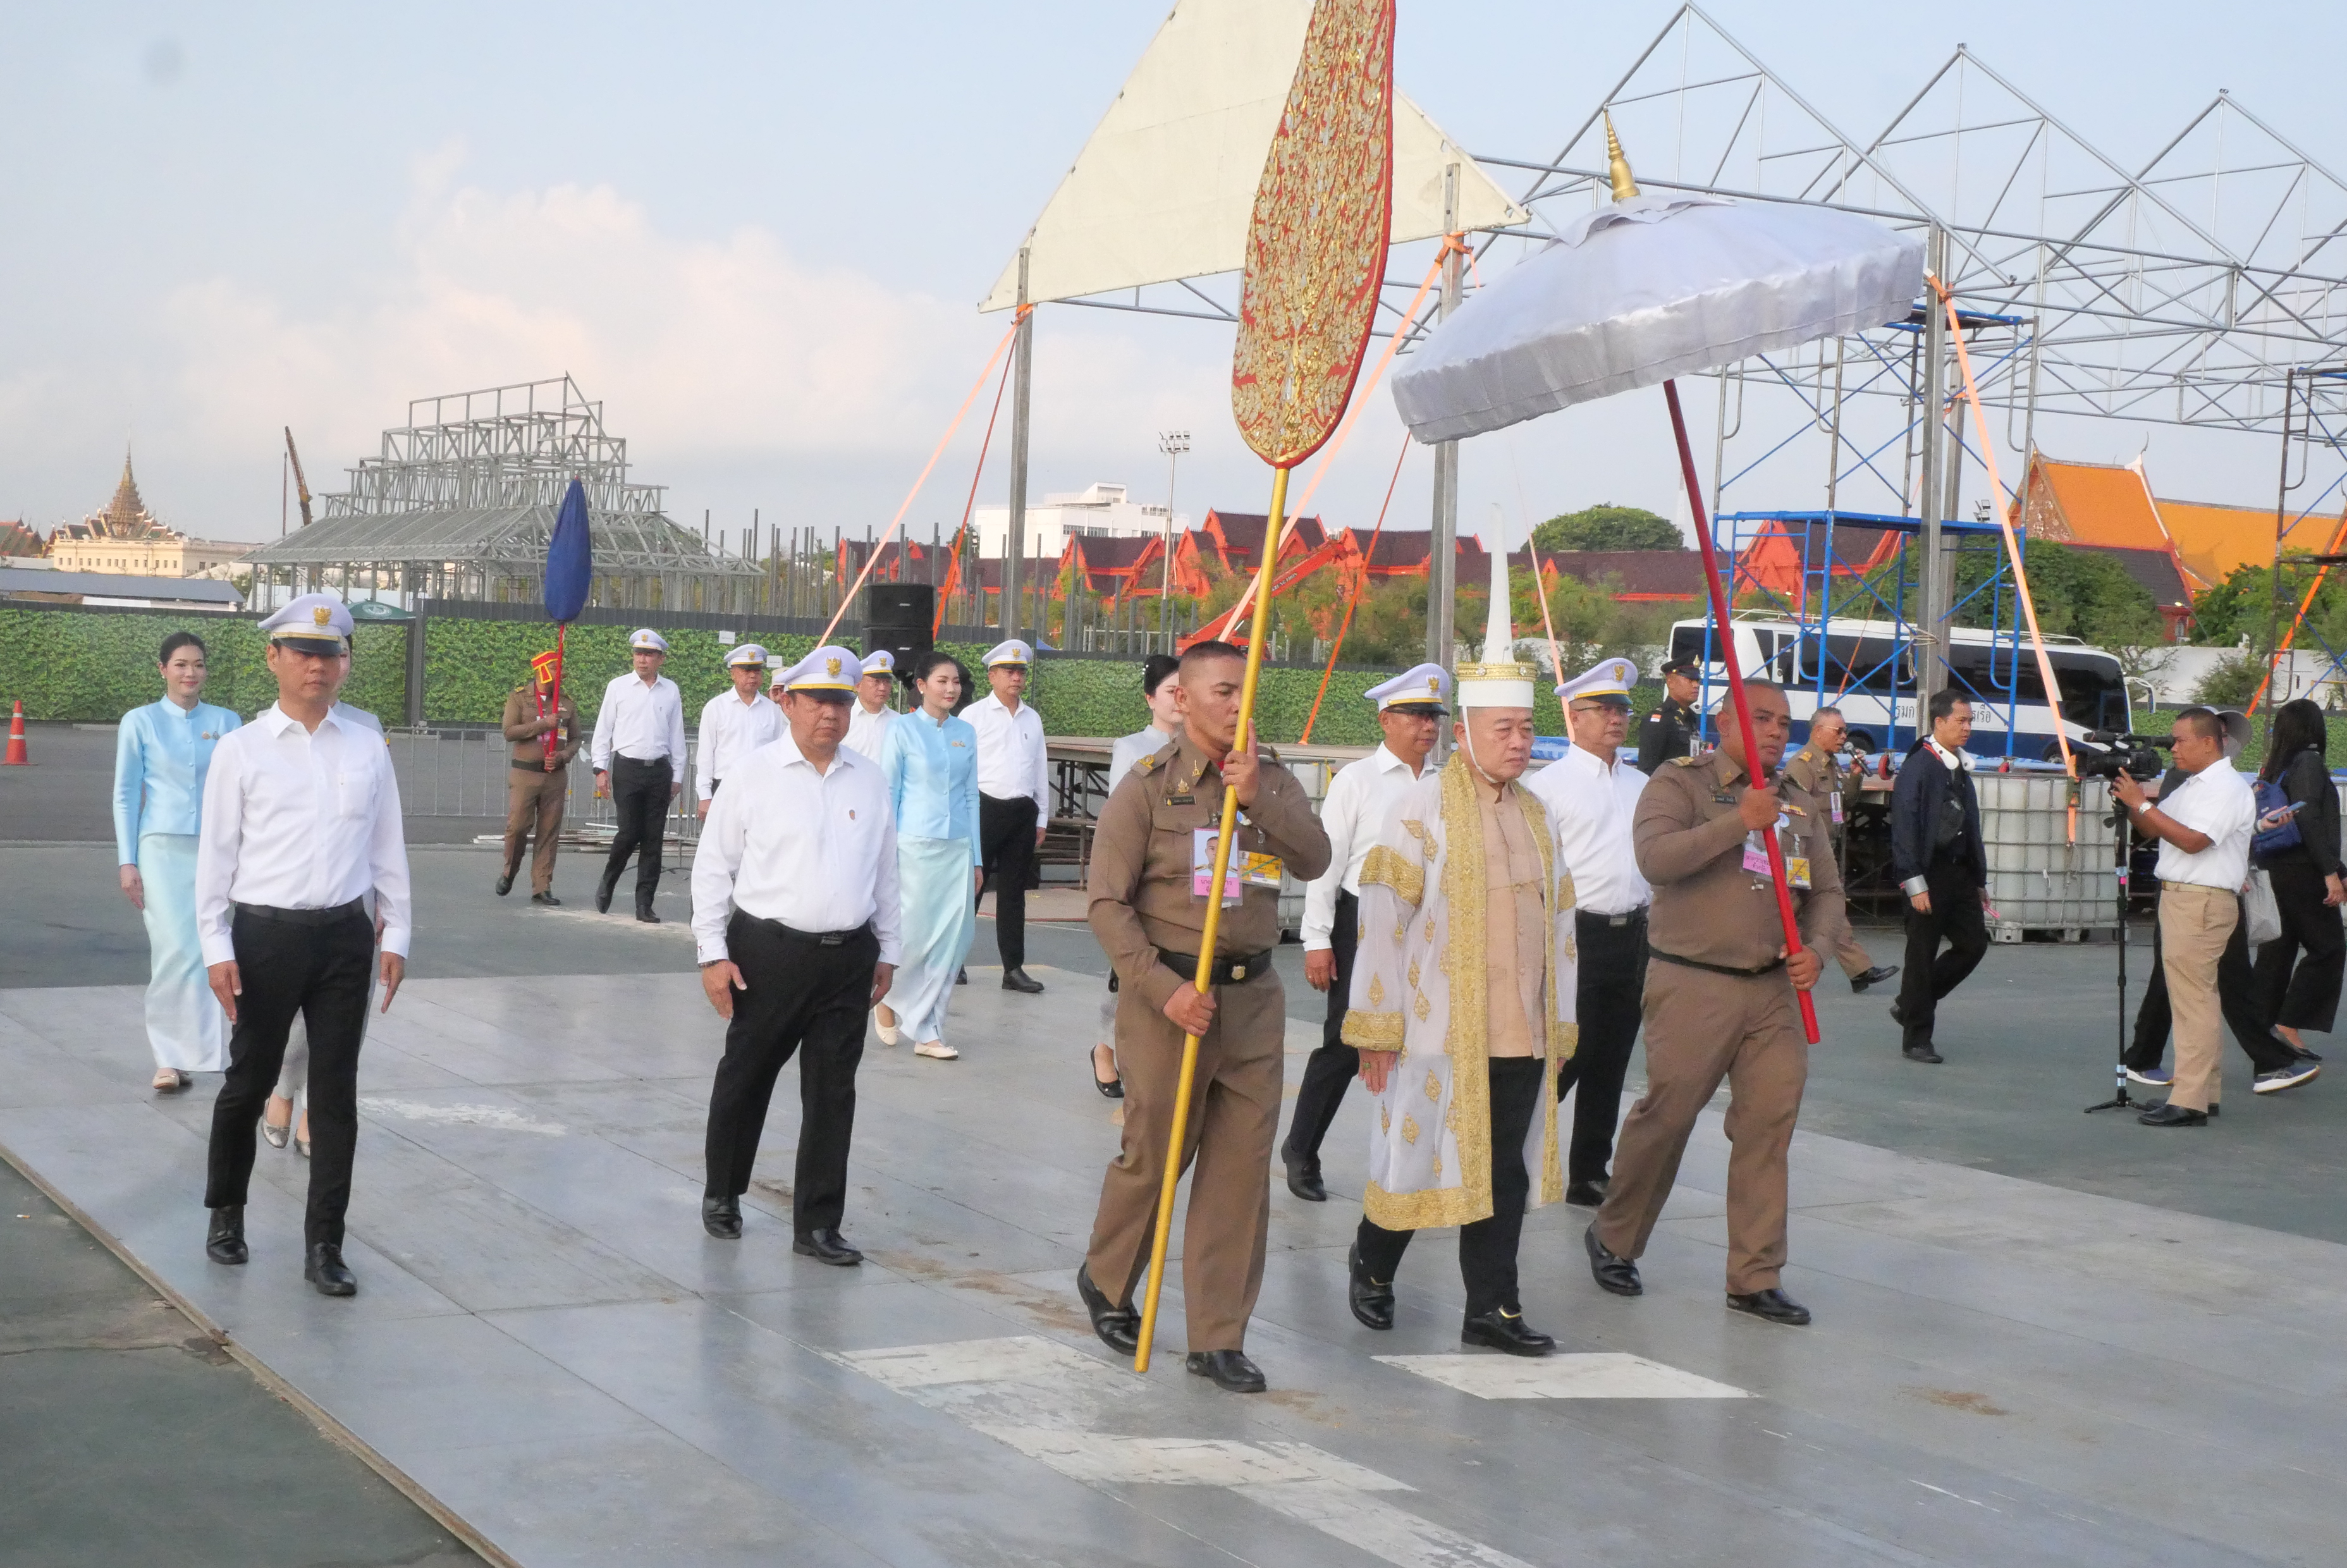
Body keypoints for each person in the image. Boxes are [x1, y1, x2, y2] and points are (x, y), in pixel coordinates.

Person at [1074, 640, 1330, 1393]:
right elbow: (1105, 903)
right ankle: (1109, 1274)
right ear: (1182, 699)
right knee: (1156, 1149)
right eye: (1222, 690)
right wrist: (1160, 988)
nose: (1237, 703)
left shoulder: (1272, 776)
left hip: (1252, 998)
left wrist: (1259, 799)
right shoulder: (1149, 785)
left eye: (1246, 690)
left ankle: (1218, 1334)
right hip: (1171, 999)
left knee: (1240, 1171)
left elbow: (1315, 857)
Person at [1584, 679, 1847, 1326]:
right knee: (1667, 1116)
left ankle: (1754, 1275)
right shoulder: (1681, 783)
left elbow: (1828, 889)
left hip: (1771, 988)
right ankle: (1615, 1235)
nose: (1775, 730)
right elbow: (1655, 858)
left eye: (1783, 721)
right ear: (1725, 721)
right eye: (1760, 718)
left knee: (1767, 1126)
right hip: (1692, 980)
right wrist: (1738, 821)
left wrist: (1817, 947)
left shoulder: (1795, 799)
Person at [1344, 644, 1572, 1354]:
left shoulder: (1538, 814)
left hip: (1519, 1031)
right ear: (1465, 732)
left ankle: (1492, 1308)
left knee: (1502, 1171)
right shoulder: (1418, 806)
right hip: (1433, 1027)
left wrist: (1560, 1024)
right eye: (1501, 728)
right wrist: (1376, 1027)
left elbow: (1562, 921)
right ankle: (1373, 1264)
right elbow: (1381, 921)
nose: (1516, 742)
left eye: (1525, 729)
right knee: (1414, 1161)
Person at [197, 594, 410, 1297]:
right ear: (274, 658)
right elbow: (216, 858)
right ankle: (227, 1211)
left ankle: (326, 1243)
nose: (317, 666)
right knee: (249, 1081)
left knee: (337, 1092)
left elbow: (388, 846)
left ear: (345, 661)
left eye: (331, 653)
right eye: (303, 653)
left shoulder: (365, 742)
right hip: (265, 935)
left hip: (345, 935)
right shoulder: (242, 749)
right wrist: (215, 944)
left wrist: (397, 930)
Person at [693, 645, 900, 1264]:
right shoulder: (753, 774)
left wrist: (888, 947)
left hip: (848, 957)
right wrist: (711, 952)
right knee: (748, 1074)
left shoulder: (868, 776)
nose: (830, 715)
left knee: (833, 1091)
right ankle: (723, 1190)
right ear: (788, 702)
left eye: (840, 701)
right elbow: (713, 868)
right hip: (769, 951)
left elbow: (886, 870)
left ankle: (817, 1223)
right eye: (817, 700)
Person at [1280, 663, 1449, 1201]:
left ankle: (1412, 1160)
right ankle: (1302, 1149)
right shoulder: (1356, 780)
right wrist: (1318, 940)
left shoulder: (1446, 786)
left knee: (1424, 1042)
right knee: (1347, 1042)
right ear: (1386, 719)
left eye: (1435, 716)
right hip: (1362, 923)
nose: (1429, 727)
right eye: (1418, 715)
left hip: (1427, 927)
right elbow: (1326, 865)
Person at [1523, 657, 1648, 1209]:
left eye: (1623, 708)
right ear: (1575, 715)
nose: (1617, 718)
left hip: (1635, 935)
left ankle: (1588, 1170)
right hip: (1577, 936)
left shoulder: (1643, 784)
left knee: (1612, 1058)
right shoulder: (1546, 786)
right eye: (1605, 709)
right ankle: (1515, 1153)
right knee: (1567, 1055)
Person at [2111, 707, 2259, 1125]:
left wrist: (2141, 805)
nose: (2173, 748)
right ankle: (2202, 1091)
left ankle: (2190, 1099)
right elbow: (2154, 828)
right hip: (2188, 899)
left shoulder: (2226, 788)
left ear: (2209, 742)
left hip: (2200, 899)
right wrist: (2135, 804)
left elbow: (2194, 842)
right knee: (2198, 999)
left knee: (2193, 1003)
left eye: (2181, 740)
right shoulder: (2196, 785)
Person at [113, 631, 242, 1093]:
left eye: (199, 664)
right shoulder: (140, 721)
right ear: (163, 669)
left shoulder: (227, 721)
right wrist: (128, 861)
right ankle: (169, 1057)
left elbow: (242, 790)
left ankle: (206, 1052)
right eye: (182, 664)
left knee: (210, 947)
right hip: (161, 848)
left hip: (216, 848)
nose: (191, 673)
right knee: (172, 950)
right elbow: (126, 795)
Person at [878, 652, 981, 1061]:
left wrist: (976, 857)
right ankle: (889, 998)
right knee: (916, 937)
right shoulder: (902, 731)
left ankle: (928, 1031)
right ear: (921, 686)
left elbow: (972, 795)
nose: (951, 689)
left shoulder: (966, 733)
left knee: (955, 940)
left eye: (955, 681)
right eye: (941, 681)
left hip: (957, 849)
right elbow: (890, 793)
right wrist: (887, 850)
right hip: (914, 847)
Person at [1093, 653, 1185, 1097]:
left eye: (1187, 691)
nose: (1180, 700)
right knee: (1129, 968)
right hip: (1142, 876)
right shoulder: (1132, 749)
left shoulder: (1205, 747)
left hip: (1187, 881)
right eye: (1171, 691)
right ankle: (1105, 1048)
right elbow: (1119, 819)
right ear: (1150, 698)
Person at [1888, 691, 1987, 1063]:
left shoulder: (1959, 766)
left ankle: (1912, 1003)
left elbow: (1971, 825)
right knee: (1921, 953)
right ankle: (1917, 1038)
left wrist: (1979, 879)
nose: (1967, 727)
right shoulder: (1920, 766)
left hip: (1960, 874)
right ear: (1939, 722)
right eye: (1961, 720)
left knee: (1973, 945)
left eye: (1970, 720)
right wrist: (1913, 881)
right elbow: (1905, 826)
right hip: (1929, 873)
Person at [2248, 697, 2341, 1080]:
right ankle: (2289, 1023)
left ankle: (2263, 1036)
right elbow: (2310, 820)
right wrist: (2332, 871)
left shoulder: (2274, 768)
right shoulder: (2309, 763)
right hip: (2302, 870)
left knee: (2278, 953)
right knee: (2329, 948)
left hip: (2274, 867)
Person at [1786, 707, 1899, 994]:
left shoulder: (1831, 764)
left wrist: (1856, 776)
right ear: (1818, 731)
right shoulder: (1803, 764)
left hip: (1825, 850)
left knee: (1825, 908)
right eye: (1838, 731)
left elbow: (1844, 803)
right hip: (1804, 851)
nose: (1844, 737)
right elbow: (1792, 811)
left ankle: (1860, 970)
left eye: (1845, 731)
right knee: (1796, 908)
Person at [967, 639, 1050, 994]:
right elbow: (963, 770)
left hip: (1021, 811)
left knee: (1014, 894)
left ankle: (1013, 968)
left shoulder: (1032, 717)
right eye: (1009, 671)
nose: (1016, 678)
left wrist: (1042, 816)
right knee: (970, 888)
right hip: (985, 807)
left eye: (1021, 672)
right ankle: (953, 961)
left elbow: (1040, 768)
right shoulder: (973, 716)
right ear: (992, 676)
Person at [591, 629, 688, 922]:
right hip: (627, 769)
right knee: (629, 832)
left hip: (659, 770)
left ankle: (644, 903)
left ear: (661, 659)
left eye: (648, 655)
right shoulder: (618, 687)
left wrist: (678, 774)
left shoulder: (670, 690)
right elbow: (603, 729)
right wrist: (600, 768)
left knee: (653, 840)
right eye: (638, 653)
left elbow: (677, 735)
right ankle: (609, 880)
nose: (642, 660)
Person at [498, 650, 583, 904]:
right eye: (556, 669)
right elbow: (509, 732)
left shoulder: (566, 703)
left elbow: (577, 738)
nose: (561, 674)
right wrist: (543, 725)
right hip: (525, 773)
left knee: (549, 831)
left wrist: (563, 757)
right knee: (518, 827)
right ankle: (509, 871)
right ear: (543, 670)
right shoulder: (519, 698)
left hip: (554, 776)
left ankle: (541, 885)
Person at [695, 645, 783, 820]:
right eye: (746, 670)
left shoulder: (772, 710)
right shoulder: (716, 708)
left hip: (762, 787)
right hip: (726, 786)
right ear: (733, 673)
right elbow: (705, 755)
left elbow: (779, 751)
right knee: (724, 845)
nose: (752, 675)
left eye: (757, 670)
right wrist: (705, 796)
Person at [1634, 658, 1702, 775]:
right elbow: (1647, 770)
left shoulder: (1691, 718)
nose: (1696, 685)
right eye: (1690, 680)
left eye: (1697, 680)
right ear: (1671, 682)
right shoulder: (1658, 720)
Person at [845, 649, 898, 761]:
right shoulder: (845, 719)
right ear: (858, 686)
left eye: (887, 682)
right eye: (876, 682)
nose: (883, 688)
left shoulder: (898, 721)